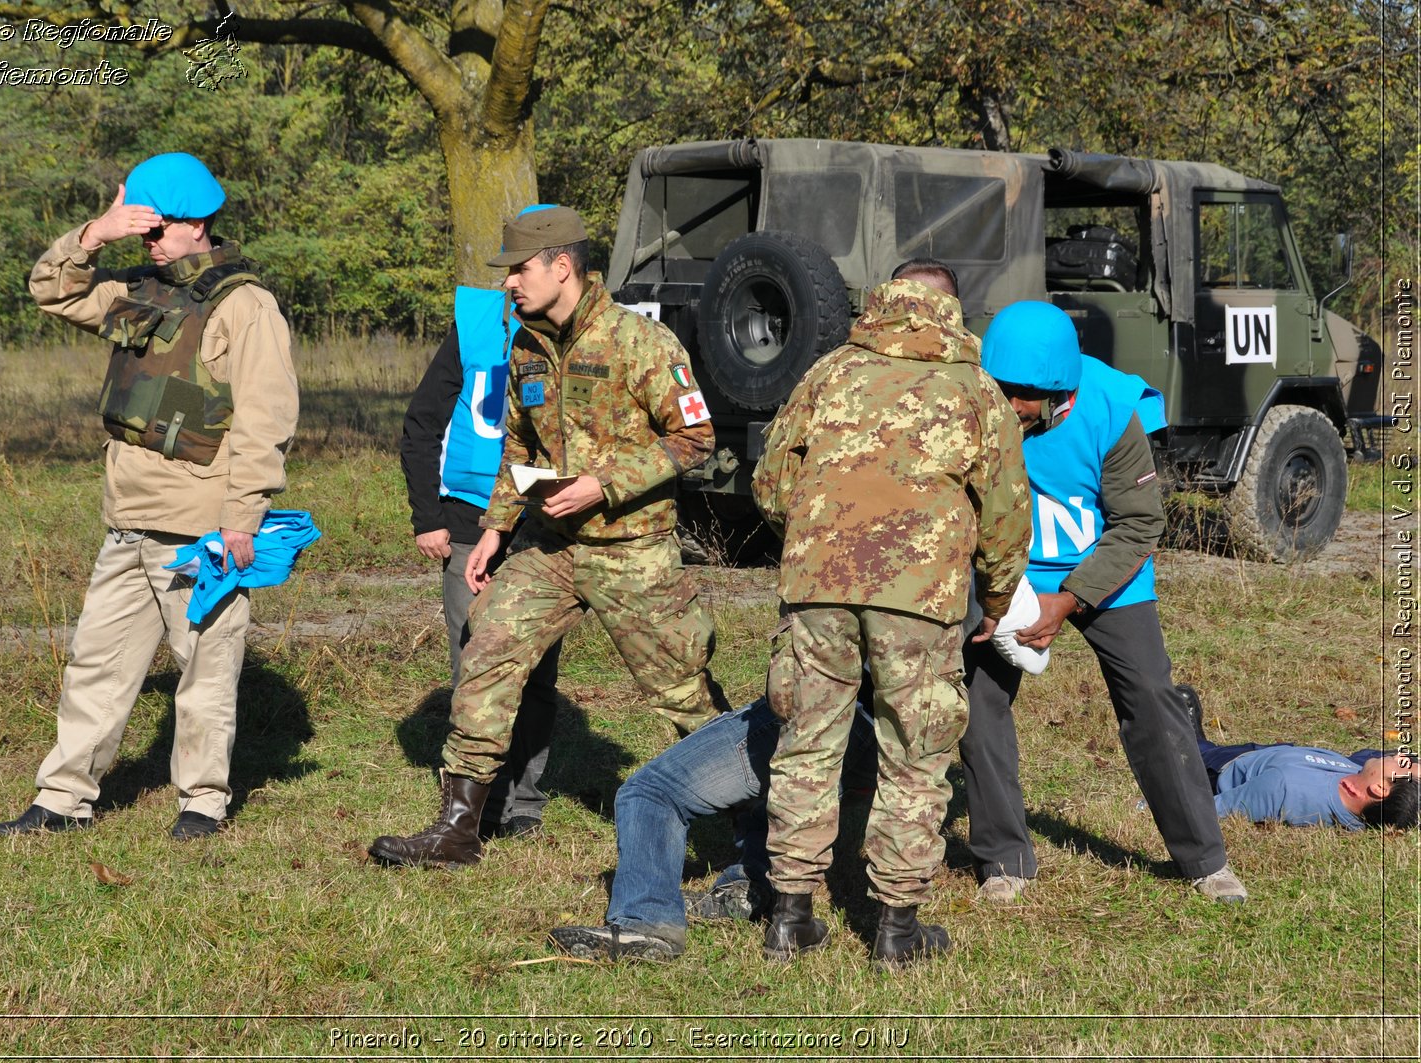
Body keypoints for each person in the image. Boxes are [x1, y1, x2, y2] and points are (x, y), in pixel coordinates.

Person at [369, 204, 721, 870]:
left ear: (564, 267)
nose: (509, 283)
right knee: (488, 645)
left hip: (632, 550)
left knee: (684, 691)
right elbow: (518, 444)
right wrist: (497, 527)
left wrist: (604, 483)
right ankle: (457, 827)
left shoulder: (639, 343)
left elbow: (696, 436)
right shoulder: (528, 344)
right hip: (551, 547)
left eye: (520, 269)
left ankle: (742, 834)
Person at [0, 152, 298, 841]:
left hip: (200, 529)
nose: (148, 242)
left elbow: (265, 420)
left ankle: (203, 802)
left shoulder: (245, 305)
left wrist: (244, 517)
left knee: (205, 670)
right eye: (142, 230)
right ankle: (62, 800)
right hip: (127, 521)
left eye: (159, 230)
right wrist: (94, 235)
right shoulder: (134, 288)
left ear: (200, 225)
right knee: (96, 665)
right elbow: (52, 290)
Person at [751, 259, 1033, 968]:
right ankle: (897, 928)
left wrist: (823, 532)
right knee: (916, 751)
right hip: (919, 594)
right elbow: (1005, 512)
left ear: (884, 299)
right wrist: (996, 599)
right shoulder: (975, 389)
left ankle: (789, 915)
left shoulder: (829, 372)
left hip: (818, 583)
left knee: (807, 743)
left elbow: (771, 479)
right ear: (951, 311)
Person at [958, 300, 1247, 904]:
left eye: (1022, 395)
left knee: (1151, 698)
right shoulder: (973, 405)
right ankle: (1004, 860)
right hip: (1006, 568)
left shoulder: (1113, 412)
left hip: (1105, 568)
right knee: (977, 701)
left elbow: (1139, 526)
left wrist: (1067, 600)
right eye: (1000, 388)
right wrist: (999, 586)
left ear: (1059, 391)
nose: (1007, 405)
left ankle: (1204, 861)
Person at [399, 280, 562, 839]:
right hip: (467, 523)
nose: (515, 281)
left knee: (537, 670)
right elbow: (421, 424)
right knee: (473, 665)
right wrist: (428, 517)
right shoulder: (473, 325)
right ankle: (476, 803)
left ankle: (525, 804)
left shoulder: (584, 333)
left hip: (543, 527)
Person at [547, 685, 878, 961]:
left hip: (822, 704)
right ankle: (757, 882)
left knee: (650, 792)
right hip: (890, 726)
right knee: (782, 780)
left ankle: (648, 921)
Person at [1179, 686, 1420, 831]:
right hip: (1307, 761)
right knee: (1371, 758)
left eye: (1404, 764)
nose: (1400, 755)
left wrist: (1144, 806)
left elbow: (1205, 811)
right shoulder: (1363, 791)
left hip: (1230, 766)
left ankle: (1194, 743)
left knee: (1192, 750)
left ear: (1379, 789)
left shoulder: (1284, 786)